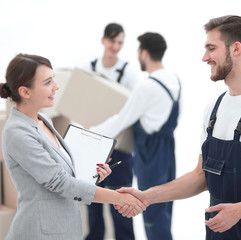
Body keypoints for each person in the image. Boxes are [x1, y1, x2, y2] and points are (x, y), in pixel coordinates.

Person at [116, 15, 241, 240]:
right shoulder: (213, 109)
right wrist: (146, 196)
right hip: (219, 229)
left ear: (236, 49)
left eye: (211, 48)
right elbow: (201, 176)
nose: (204, 57)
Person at [0, 53, 145, 240]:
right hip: (39, 232)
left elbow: (64, 174)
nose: (56, 86)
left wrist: (92, 175)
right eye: (47, 82)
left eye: (54, 79)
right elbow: (60, 183)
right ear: (25, 92)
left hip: (63, 228)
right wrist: (118, 197)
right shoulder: (17, 132)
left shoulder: (41, 120)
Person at [91, 32, 181, 240]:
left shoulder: (147, 86)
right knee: (164, 208)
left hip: (151, 154)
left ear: (145, 53)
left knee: (150, 209)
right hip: (168, 149)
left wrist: (89, 133)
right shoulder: (174, 80)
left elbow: (121, 121)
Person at [83, 22, 142, 240]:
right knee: (91, 199)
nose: (115, 46)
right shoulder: (88, 68)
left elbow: (134, 110)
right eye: (112, 41)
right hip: (92, 145)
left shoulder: (128, 72)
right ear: (103, 40)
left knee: (121, 200)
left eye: (120, 43)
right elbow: (79, 102)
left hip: (120, 148)